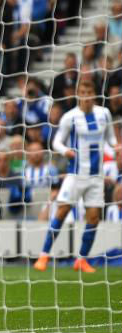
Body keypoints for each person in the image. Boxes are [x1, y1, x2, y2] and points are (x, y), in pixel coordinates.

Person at [34, 80, 119, 273]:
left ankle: (81, 259)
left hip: (96, 176)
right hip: (75, 174)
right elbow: (57, 141)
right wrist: (65, 152)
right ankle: (44, 255)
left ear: (94, 94)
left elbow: (111, 139)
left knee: (94, 218)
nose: (86, 96)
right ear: (78, 94)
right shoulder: (70, 117)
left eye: (89, 92)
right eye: (83, 92)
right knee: (62, 212)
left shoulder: (104, 114)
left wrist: (116, 148)